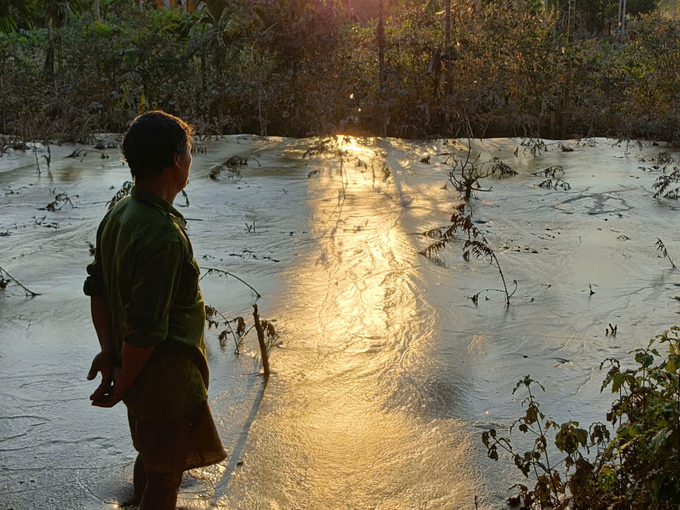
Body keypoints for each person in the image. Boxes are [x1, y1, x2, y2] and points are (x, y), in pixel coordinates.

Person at [84, 111, 226, 509]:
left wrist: (111, 352)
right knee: (165, 483)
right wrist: (121, 381)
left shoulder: (120, 212)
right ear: (174, 162)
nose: (191, 159)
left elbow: (98, 290)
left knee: (153, 459)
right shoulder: (163, 235)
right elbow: (146, 330)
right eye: (190, 151)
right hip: (165, 381)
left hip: (140, 377)